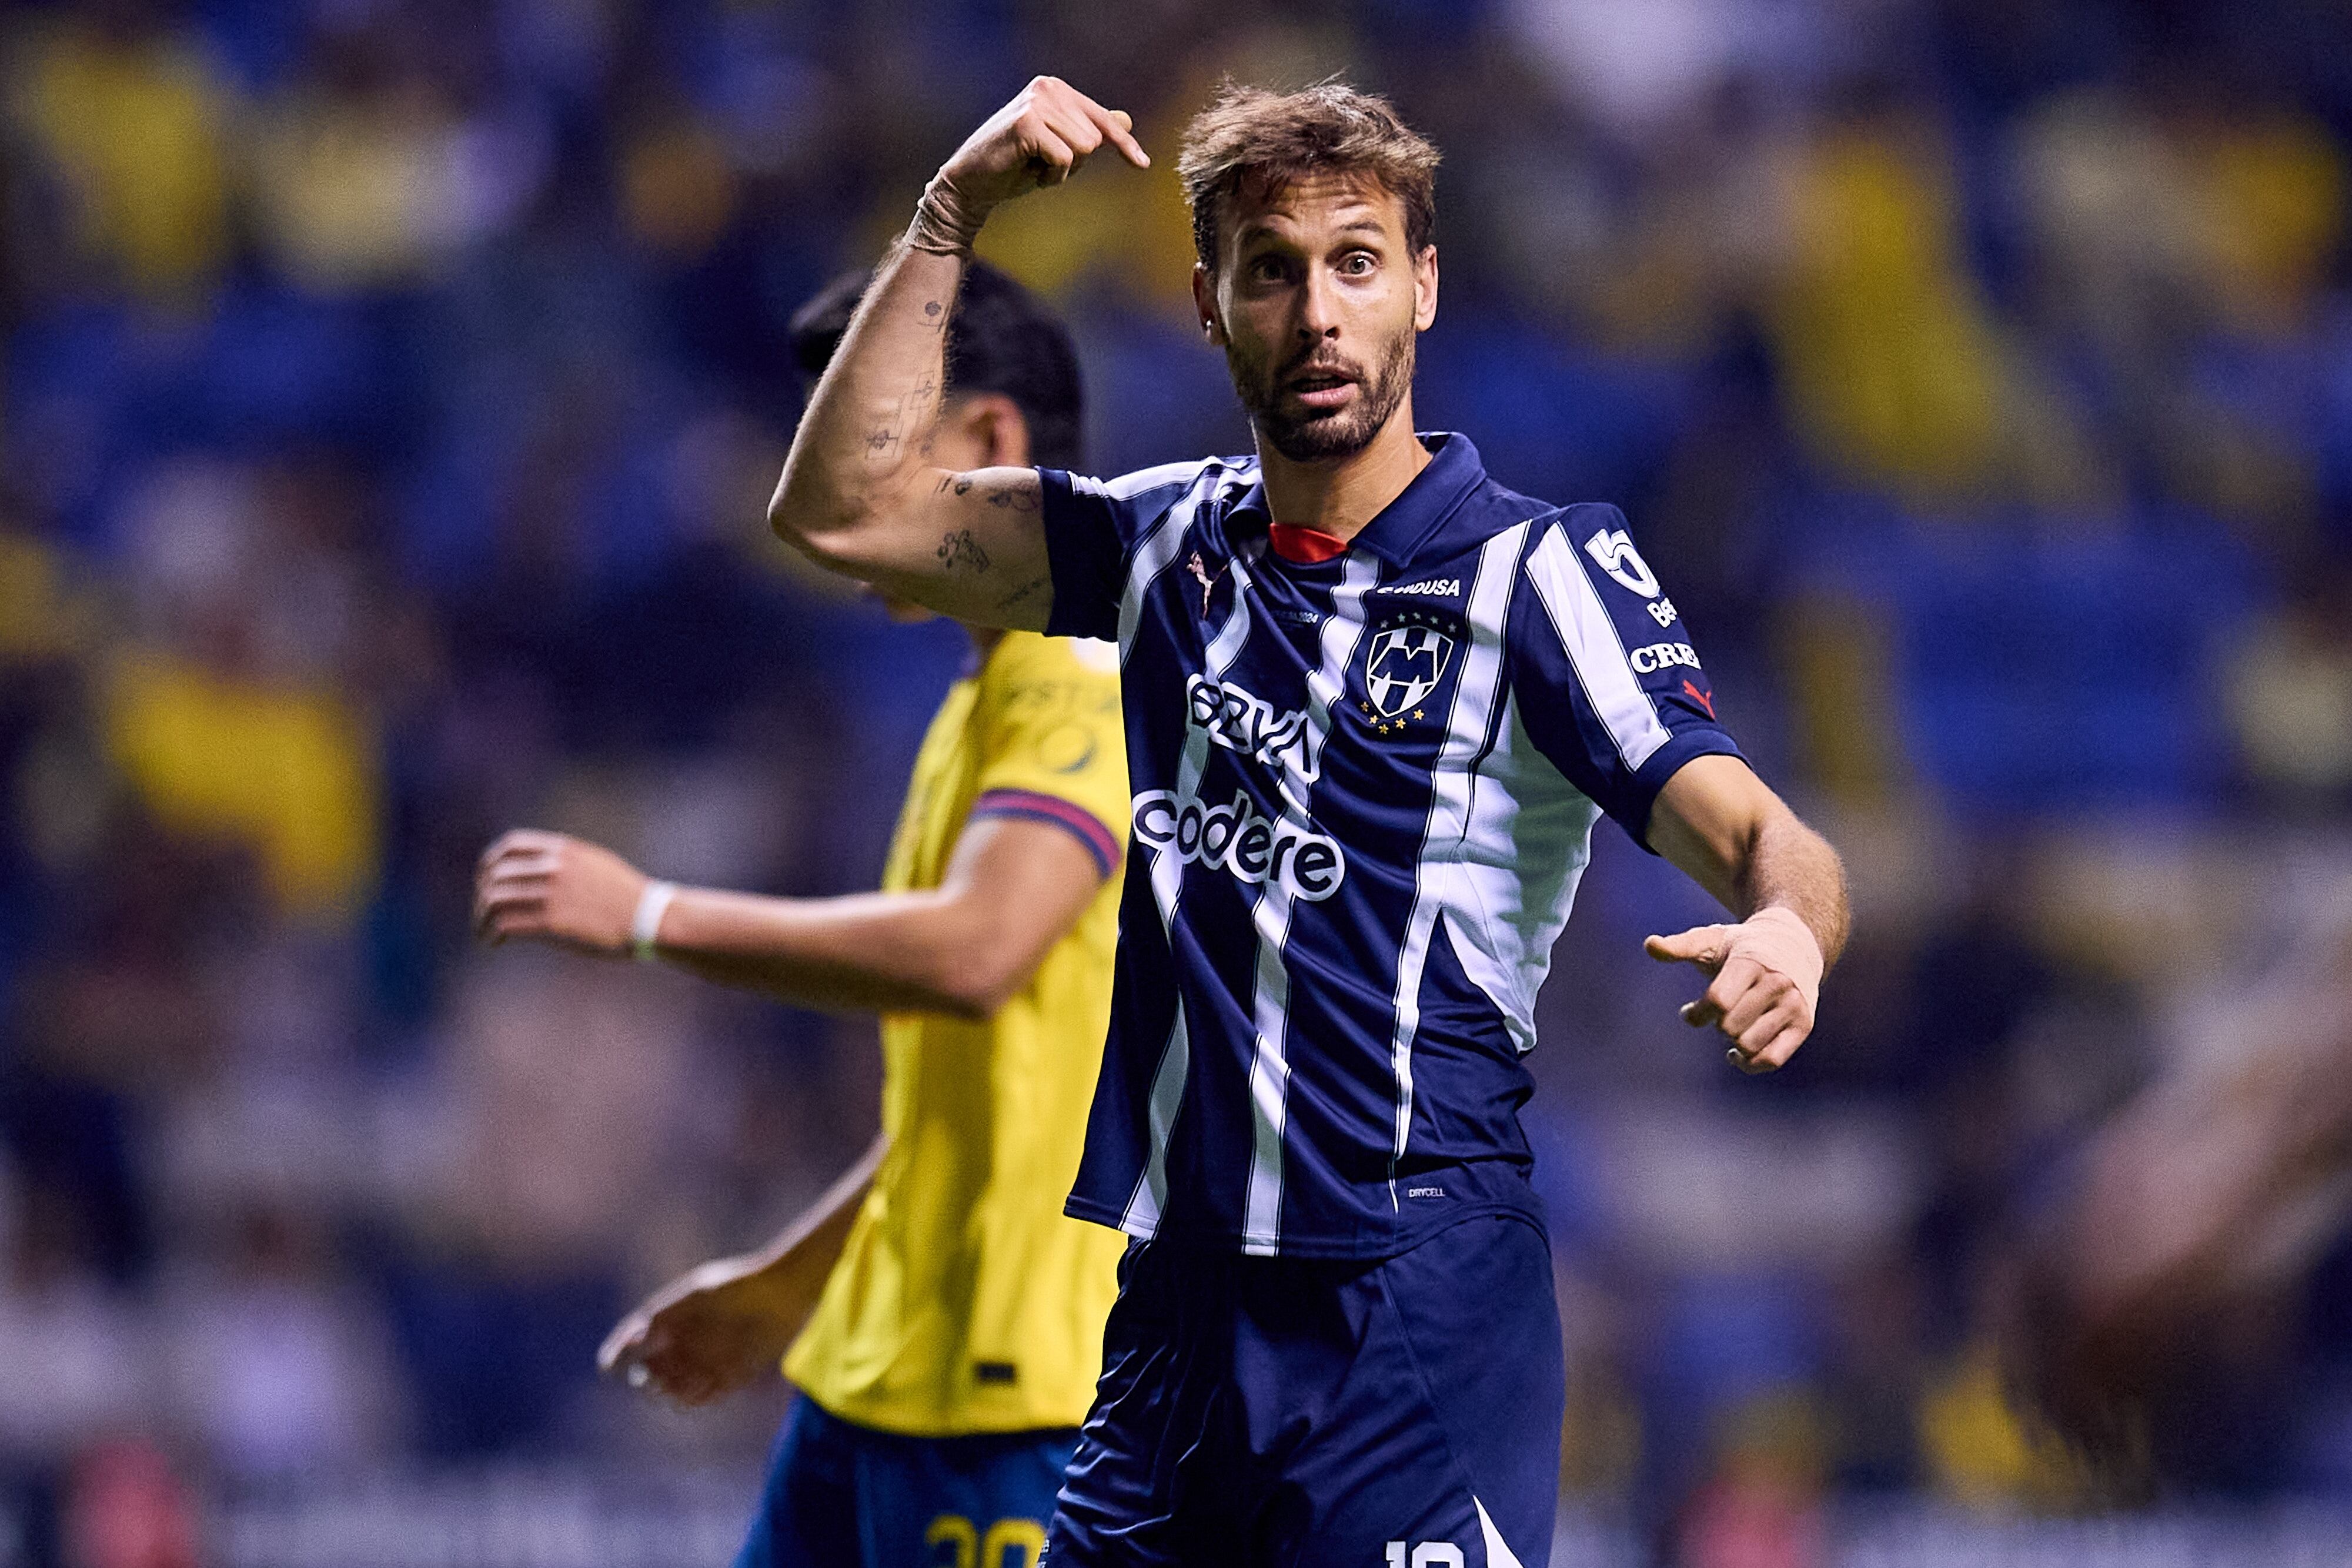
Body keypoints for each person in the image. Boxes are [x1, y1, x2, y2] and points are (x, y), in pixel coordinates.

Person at [766, 76, 1850, 1567]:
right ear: (1208, 304)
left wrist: (1789, 924)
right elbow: (844, 513)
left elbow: (1760, 835)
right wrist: (947, 215)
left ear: (1422, 287)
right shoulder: (1153, 542)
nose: (1316, 312)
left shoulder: (1533, 575)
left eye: (1354, 261)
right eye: (1268, 269)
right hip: (1171, 1313)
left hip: (1404, 1298)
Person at [473, 260, 1131, 1568]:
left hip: (1019, 1399)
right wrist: (787, 1279)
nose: (823, 491)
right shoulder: (978, 702)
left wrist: (652, 913)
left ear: (991, 443)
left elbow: (975, 950)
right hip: (878, 1373)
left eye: (868, 440)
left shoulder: (1083, 683)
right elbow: (985, 1111)